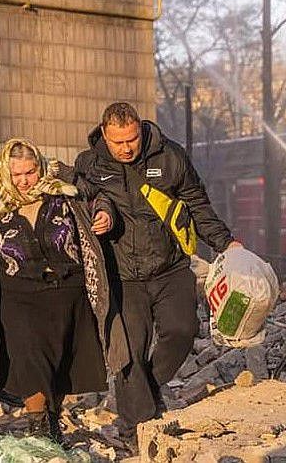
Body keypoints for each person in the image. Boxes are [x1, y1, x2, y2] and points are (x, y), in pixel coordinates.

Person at [0, 138, 129, 442]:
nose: (25, 181)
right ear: (6, 172)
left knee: (58, 364)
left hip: (66, 292)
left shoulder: (62, 185)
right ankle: (38, 427)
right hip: (17, 294)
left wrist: (105, 213)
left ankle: (51, 425)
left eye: (30, 172)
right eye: (18, 175)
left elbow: (98, 198)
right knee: (29, 359)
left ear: (39, 168)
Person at [75, 102, 240, 437]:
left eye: (132, 139)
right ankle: (141, 428)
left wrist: (226, 244)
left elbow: (197, 204)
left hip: (169, 266)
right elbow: (83, 201)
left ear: (141, 130)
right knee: (130, 351)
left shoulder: (170, 156)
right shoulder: (89, 164)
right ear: (104, 136)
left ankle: (146, 389)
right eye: (118, 142)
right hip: (121, 274)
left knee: (183, 330)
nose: (126, 148)